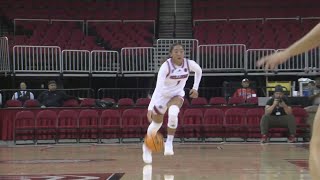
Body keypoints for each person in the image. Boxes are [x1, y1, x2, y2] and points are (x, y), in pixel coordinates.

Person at [256, 23, 320, 179]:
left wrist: (286, 53)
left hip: (283, 118)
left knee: (317, 145)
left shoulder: (285, 100)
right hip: (272, 119)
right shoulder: (271, 99)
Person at [142, 43, 202, 164]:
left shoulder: (189, 64)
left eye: (181, 51)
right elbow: (158, 88)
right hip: (162, 97)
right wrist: (150, 108)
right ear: (171, 54)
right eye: (176, 51)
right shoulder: (165, 67)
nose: (179, 53)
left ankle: (169, 143)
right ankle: (147, 148)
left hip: (177, 95)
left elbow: (199, 71)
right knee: (156, 124)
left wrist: (195, 88)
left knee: (174, 113)